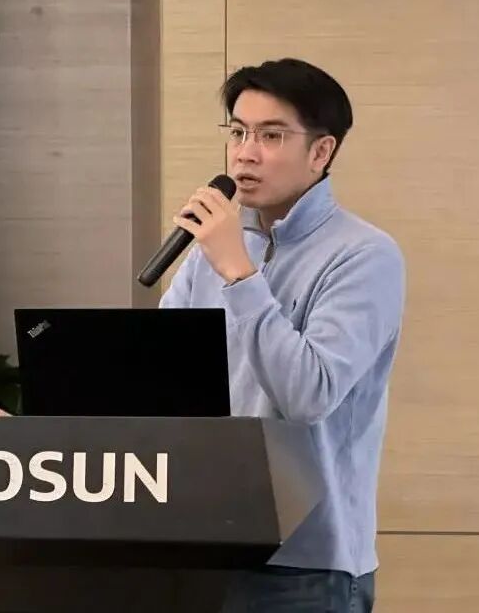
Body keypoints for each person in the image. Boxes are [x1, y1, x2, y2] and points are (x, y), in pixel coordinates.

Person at [160, 58, 405, 611]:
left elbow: (307, 396)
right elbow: (157, 381)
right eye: (238, 132)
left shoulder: (364, 256)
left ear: (321, 152)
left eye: (270, 136)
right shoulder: (209, 253)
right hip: (198, 543)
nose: (245, 153)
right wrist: (43, 428)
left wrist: (239, 274)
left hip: (304, 566)